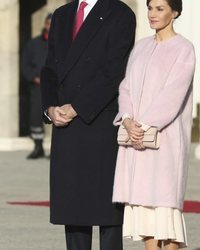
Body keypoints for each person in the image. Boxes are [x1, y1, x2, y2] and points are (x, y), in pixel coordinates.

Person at [40, 0, 136, 250]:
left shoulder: (120, 13)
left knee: (108, 216)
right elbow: (50, 68)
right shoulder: (62, 14)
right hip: (65, 125)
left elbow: (115, 70)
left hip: (99, 122)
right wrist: (50, 108)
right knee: (73, 212)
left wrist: (77, 107)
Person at [112, 0, 195, 249]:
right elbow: (125, 86)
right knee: (144, 212)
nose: (152, 14)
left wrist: (146, 124)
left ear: (175, 12)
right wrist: (127, 119)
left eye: (160, 9)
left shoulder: (184, 49)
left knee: (164, 212)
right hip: (136, 140)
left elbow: (173, 93)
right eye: (150, 8)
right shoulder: (140, 47)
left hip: (165, 142)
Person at [21, 13, 52, 159]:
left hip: (55, 86)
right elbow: (25, 64)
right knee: (35, 116)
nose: (50, 27)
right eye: (48, 23)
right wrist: (33, 77)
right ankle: (38, 147)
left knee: (56, 116)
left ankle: (55, 149)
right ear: (44, 24)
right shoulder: (33, 44)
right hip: (37, 87)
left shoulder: (61, 43)